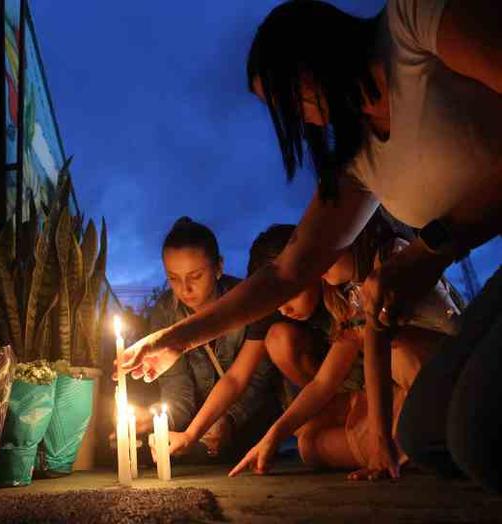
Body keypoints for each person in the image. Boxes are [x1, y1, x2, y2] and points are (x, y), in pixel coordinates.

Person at [122, 0, 500, 489]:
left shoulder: (413, 24)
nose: (303, 119)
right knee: (425, 433)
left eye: (290, 100)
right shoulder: (361, 160)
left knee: (478, 438)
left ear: (310, 61)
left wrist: (431, 250)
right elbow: (285, 273)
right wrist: (173, 339)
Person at [230, 217, 462, 479]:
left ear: (352, 238)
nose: (317, 268)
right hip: (393, 396)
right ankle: (405, 448)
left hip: (444, 384)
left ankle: (418, 442)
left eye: (324, 254)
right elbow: (322, 383)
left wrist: (380, 438)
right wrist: (271, 438)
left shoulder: (392, 262)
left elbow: (378, 350)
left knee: (397, 350)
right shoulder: (348, 293)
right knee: (309, 446)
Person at [165, 224, 332, 460]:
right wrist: (191, 434)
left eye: (195, 276)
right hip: (312, 398)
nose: (283, 307)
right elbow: (235, 377)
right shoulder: (274, 308)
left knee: (279, 338)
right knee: (310, 448)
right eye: (173, 278)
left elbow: (322, 381)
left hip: (329, 392)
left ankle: (335, 416)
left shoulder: (342, 302)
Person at [144, 217, 281, 461]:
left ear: (218, 267)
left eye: (195, 276)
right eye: (173, 278)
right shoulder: (165, 313)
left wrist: (229, 419)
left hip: (256, 427)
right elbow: (177, 388)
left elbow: (257, 379)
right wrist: (158, 421)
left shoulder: (249, 302)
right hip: (199, 434)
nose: (184, 289)